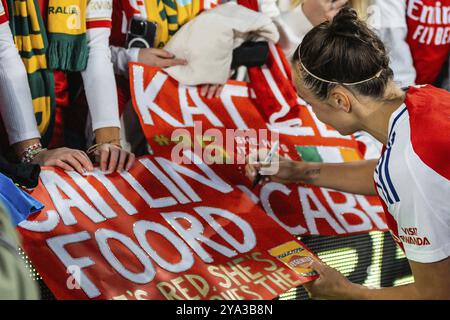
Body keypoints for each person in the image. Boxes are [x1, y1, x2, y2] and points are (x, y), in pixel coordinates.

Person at [246, 8, 450, 299]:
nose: (313, 114)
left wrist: (346, 292)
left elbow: (435, 294)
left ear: (340, 100)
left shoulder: (408, 169)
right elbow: (390, 174)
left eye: (309, 102)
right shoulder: (425, 96)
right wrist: (296, 171)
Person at [0, 0, 135, 173]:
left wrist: (109, 143)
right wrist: (31, 152)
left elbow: (95, 48)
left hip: (54, 116)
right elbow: (3, 53)